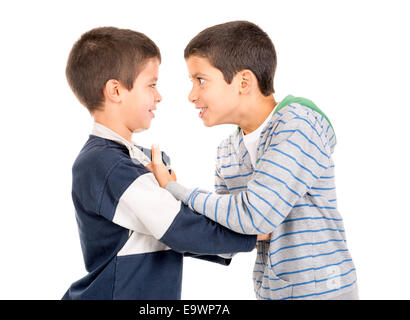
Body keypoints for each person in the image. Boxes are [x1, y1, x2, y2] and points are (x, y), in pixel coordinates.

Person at [148, 21, 359, 300]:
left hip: (323, 293)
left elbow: (255, 216)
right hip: (271, 292)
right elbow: (228, 234)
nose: (191, 95)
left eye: (200, 80)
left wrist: (178, 192)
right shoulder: (227, 152)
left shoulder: (297, 126)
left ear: (244, 82)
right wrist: (163, 216)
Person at [61, 26, 257, 300]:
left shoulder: (130, 160)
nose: (159, 95)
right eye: (151, 85)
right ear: (115, 90)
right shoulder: (105, 164)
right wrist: (253, 234)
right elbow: (177, 228)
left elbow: (169, 235)